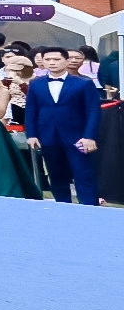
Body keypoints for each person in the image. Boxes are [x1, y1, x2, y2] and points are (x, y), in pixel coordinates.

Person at [24, 47, 105, 206]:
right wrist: (31, 134)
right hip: (47, 136)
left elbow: (93, 110)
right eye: (48, 59)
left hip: (78, 137)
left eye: (56, 59)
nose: (52, 63)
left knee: (83, 174)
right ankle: (62, 208)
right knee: (56, 175)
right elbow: (31, 110)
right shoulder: (35, 84)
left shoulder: (84, 83)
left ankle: (90, 210)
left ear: (66, 61)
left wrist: (89, 136)